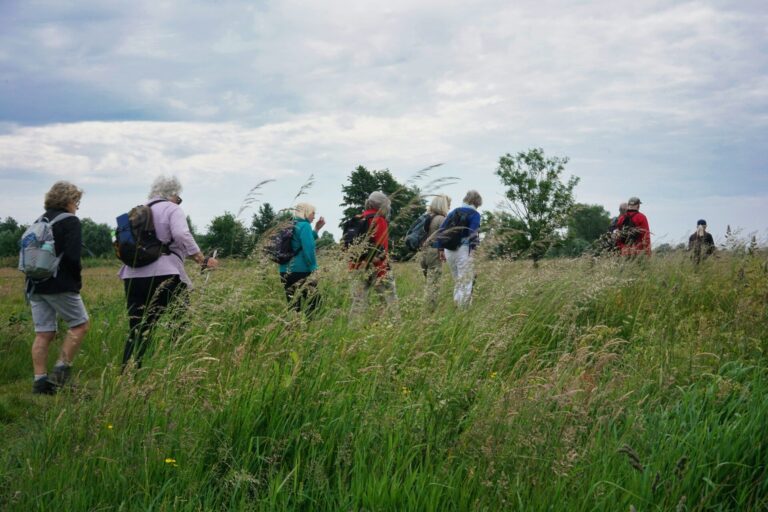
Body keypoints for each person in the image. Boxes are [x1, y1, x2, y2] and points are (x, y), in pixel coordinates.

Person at [119, 176, 218, 370]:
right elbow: (181, 235)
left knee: (138, 328)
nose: (178, 201)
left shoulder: (133, 213)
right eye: (179, 197)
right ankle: (177, 371)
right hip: (165, 274)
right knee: (179, 324)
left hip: (131, 276)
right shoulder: (172, 209)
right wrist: (202, 259)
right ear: (172, 194)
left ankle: (128, 373)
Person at [27, 181, 90, 394]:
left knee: (44, 333)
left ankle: (40, 382)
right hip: (59, 283)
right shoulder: (70, 221)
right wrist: (75, 283)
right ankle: (60, 372)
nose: (77, 206)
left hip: (34, 284)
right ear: (69, 200)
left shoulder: (39, 221)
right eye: (77, 201)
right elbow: (72, 257)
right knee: (80, 324)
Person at [348, 191, 398, 318]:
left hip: (356, 266)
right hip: (377, 267)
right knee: (389, 302)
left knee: (358, 303)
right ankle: (395, 328)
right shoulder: (379, 220)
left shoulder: (358, 218)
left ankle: (353, 330)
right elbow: (382, 248)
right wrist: (384, 271)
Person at [435, 190, 482, 307]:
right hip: (463, 250)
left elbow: (441, 230)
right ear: (477, 203)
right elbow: (473, 233)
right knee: (466, 281)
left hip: (448, 250)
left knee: (457, 280)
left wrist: (440, 249)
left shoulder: (454, 211)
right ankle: (463, 311)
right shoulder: (475, 214)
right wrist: (474, 250)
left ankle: (456, 305)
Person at [279, 203, 325, 314]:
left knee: (294, 307)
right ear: (306, 212)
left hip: (284, 271)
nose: (314, 216)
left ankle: (293, 328)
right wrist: (314, 268)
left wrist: (316, 229)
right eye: (313, 213)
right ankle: (309, 327)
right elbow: (308, 249)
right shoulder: (305, 225)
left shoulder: (290, 224)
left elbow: (297, 244)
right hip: (301, 271)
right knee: (316, 303)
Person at [421, 194, 451, 311]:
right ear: (443, 205)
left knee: (428, 284)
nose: (449, 208)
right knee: (433, 286)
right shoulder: (442, 219)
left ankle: (427, 310)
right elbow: (445, 238)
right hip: (434, 253)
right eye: (448, 205)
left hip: (423, 253)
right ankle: (429, 313)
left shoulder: (427, 217)